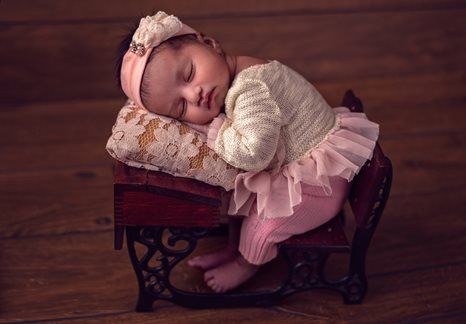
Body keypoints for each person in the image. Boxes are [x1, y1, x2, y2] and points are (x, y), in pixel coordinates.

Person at [116, 11, 379, 293]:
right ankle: (234, 249)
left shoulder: (251, 88)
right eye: (181, 108)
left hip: (319, 183)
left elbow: (254, 153)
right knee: (242, 200)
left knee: (261, 225)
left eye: (189, 74)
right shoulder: (239, 71)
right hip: (304, 165)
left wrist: (216, 130)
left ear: (209, 43)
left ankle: (246, 263)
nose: (194, 94)